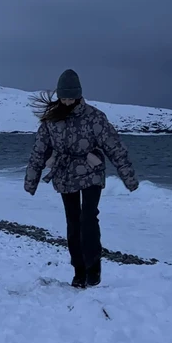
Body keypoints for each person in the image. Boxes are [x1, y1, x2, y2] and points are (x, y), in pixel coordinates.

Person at [24, 69, 141, 288]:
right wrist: (32, 179)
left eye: (71, 97)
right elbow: (39, 150)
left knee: (88, 219)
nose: (67, 102)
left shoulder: (94, 117)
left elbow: (114, 146)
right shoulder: (51, 120)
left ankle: (93, 268)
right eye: (64, 97)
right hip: (65, 173)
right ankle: (78, 270)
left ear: (79, 95)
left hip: (91, 171)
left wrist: (128, 177)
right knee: (73, 223)